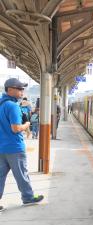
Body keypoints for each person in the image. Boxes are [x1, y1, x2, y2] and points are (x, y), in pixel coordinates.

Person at [0, 78, 44, 212]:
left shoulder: (1, 104)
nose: (22, 91)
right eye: (19, 89)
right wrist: (27, 124)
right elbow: (16, 128)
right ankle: (28, 197)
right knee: (22, 174)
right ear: (10, 90)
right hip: (14, 147)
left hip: (1, 147)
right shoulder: (12, 106)